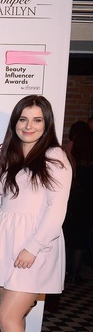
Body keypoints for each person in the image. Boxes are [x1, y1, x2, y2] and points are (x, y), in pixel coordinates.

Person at [0, 95, 72, 332]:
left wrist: (33, 247)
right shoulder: (9, 154)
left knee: (7, 316)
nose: (29, 126)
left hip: (34, 247)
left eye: (37, 120)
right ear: (15, 122)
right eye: (23, 119)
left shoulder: (54, 157)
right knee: (12, 317)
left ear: (47, 124)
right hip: (4, 243)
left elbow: (56, 209)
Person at [63, 121, 93, 285]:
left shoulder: (71, 160)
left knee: (67, 238)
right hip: (87, 204)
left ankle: (64, 273)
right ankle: (75, 275)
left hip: (71, 202)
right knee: (80, 242)